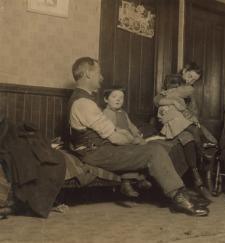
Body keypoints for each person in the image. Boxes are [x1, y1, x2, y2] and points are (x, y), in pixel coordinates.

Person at [68, 56, 208, 216]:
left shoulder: (84, 99)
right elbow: (115, 137)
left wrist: (132, 137)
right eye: (99, 73)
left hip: (99, 147)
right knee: (152, 151)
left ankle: (180, 191)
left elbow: (112, 130)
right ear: (87, 74)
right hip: (95, 152)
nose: (102, 77)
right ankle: (179, 197)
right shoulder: (84, 103)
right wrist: (135, 140)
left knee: (158, 146)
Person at [153, 63, 215, 200]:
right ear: (184, 71)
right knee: (189, 137)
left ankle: (197, 177)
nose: (190, 81)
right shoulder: (172, 83)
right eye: (189, 76)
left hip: (184, 123)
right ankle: (196, 179)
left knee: (194, 134)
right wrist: (174, 104)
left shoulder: (189, 91)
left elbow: (194, 111)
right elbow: (157, 100)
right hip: (171, 123)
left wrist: (191, 116)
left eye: (194, 80)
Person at [103, 87, 151, 198]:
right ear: (106, 99)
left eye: (121, 98)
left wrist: (137, 133)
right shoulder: (106, 113)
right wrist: (127, 135)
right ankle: (126, 182)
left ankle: (141, 177)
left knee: (144, 146)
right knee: (129, 152)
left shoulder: (123, 113)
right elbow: (111, 129)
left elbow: (131, 125)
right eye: (114, 97)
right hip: (116, 140)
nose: (118, 100)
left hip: (128, 137)